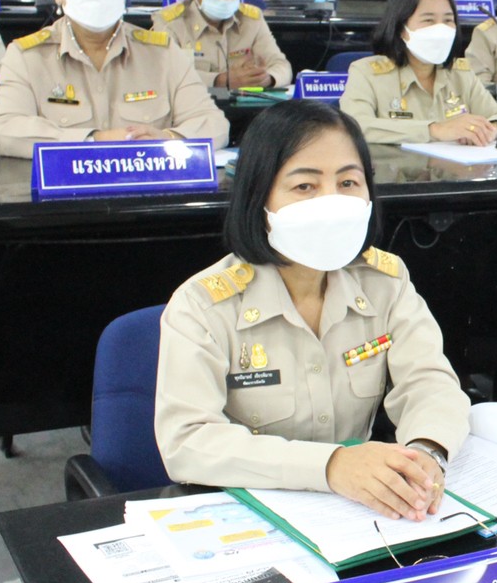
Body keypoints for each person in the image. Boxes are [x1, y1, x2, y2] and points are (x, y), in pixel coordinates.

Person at [155, 99, 469, 512]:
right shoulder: (203, 304)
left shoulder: (385, 282)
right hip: (252, 512)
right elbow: (187, 441)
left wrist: (427, 453)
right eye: (305, 186)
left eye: (348, 183)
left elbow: (429, 383)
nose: (331, 201)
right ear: (259, 198)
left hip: (363, 511)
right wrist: (330, 466)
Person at [0, 0, 229, 157]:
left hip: (147, 191)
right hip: (63, 194)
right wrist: (95, 140)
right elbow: (5, 131)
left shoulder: (163, 53)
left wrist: (166, 139)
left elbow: (214, 124)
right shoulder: (26, 56)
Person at [339, 0, 497, 145]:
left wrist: (489, 130)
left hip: (455, 174)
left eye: (448, 20)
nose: (441, 29)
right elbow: (354, 127)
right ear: (401, 28)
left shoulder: (460, 73)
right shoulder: (366, 73)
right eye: (428, 20)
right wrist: (434, 130)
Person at [152, 0, 293, 90]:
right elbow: (162, 74)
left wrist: (267, 78)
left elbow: (282, 66)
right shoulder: (168, 21)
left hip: (245, 111)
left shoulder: (252, 19)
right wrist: (220, 81)